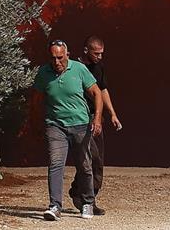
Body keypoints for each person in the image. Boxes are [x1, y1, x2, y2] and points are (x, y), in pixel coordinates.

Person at [32, 39, 103, 221]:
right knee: (55, 164)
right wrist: (36, 123)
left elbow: (97, 93)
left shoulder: (79, 69)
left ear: (67, 55)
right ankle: (55, 206)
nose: (57, 62)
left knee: (84, 164)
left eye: (60, 57)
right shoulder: (44, 73)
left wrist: (97, 119)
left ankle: (87, 202)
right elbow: (36, 99)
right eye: (53, 58)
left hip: (80, 124)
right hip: (55, 125)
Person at [69, 35, 122, 216]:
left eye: (101, 53)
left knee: (98, 161)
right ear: (86, 50)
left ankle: (85, 196)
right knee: (91, 158)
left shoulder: (99, 67)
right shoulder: (75, 67)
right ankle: (84, 198)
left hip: (96, 118)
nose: (99, 57)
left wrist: (112, 113)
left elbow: (103, 90)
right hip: (79, 119)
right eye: (96, 53)